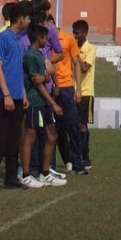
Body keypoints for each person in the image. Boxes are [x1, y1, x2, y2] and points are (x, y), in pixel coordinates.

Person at [0, 0, 29, 191]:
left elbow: (17, 70)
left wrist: (22, 93)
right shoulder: (3, 38)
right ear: (21, 18)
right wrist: (6, 94)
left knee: (14, 138)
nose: (29, 21)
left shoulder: (18, 40)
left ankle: (11, 176)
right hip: (2, 96)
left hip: (17, 96)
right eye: (27, 18)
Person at [21, 25, 67, 187]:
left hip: (44, 101)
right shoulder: (30, 56)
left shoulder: (40, 54)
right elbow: (37, 83)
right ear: (39, 38)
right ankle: (26, 174)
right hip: (35, 101)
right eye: (45, 38)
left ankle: (45, 172)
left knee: (52, 136)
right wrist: (53, 103)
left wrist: (46, 78)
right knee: (30, 136)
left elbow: (45, 76)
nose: (47, 41)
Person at [50, 19, 87, 174]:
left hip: (66, 87)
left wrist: (78, 89)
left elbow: (76, 63)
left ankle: (77, 161)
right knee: (53, 128)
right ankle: (53, 165)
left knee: (72, 124)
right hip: (49, 87)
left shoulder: (68, 39)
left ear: (52, 23)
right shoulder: (43, 40)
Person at [73, 19, 97, 171]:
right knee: (73, 124)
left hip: (86, 92)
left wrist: (75, 53)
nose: (75, 36)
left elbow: (83, 68)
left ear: (85, 33)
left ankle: (85, 156)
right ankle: (75, 155)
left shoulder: (90, 49)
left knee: (82, 124)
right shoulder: (73, 48)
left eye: (78, 33)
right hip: (73, 90)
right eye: (74, 33)